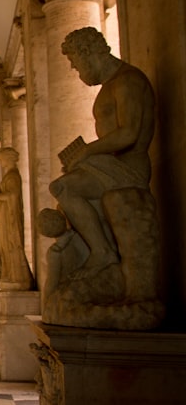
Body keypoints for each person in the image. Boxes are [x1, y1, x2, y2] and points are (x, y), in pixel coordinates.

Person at [50, 26, 155, 279]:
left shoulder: (128, 81)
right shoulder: (111, 85)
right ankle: (99, 252)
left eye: (75, 64)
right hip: (113, 165)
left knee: (64, 188)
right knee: (65, 190)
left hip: (129, 168)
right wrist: (85, 157)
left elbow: (129, 133)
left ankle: (103, 252)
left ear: (88, 53)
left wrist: (87, 152)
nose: (76, 71)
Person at [0, 148, 33, 290]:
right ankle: (11, 274)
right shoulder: (8, 176)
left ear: (8, 158)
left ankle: (18, 276)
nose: (0, 161)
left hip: (11, 217)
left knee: (12, 244)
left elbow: (13, 196)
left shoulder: (13, 176)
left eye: (1, 158)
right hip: (5, 216)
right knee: (6, 246)